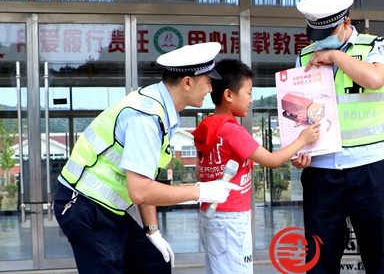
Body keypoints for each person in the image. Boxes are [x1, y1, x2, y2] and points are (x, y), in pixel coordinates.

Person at [53, 42, 242, 274]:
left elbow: (145, 177)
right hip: (84, 205)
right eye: (208, 81)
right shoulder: (147, 117)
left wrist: (152, 231)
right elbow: (141, 191)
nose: (210, 88)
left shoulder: (162, 111)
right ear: (187, 82)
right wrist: (200, 191)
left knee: (154, 262)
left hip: (110, 207)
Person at [294, 0, 384, 274]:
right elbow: (300, 112)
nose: (320, 40)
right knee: (318, 262)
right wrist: (298, 150)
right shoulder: (304, 55)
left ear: (346, 22)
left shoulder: (376, 46)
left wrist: (335, 55)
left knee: (379, 260)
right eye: (316, 34)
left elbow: (376, 78)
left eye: (327, 33)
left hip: (371, 168)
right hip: (322, 172)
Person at [192, 58, 320, 274]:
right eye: (249, 92)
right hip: (230, 219)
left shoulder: (205, 127)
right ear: (229, 95)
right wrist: (302, 139)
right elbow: (272, 160)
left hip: (211, 214)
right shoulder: (233, 131)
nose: (252, 99)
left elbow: (200, 171)